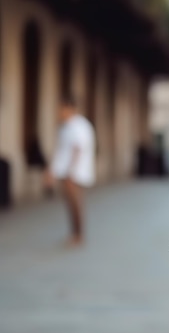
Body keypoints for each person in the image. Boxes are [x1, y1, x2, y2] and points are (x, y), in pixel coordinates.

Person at [45, 96, 95, 246]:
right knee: (70, 204)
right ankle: (74, 233)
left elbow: (77, 149)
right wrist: (53, 171)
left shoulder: (79, 126)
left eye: (62, 108)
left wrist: (71, 172)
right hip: (66, 172)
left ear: (69, 108)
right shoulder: (66, 126)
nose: (59, 112)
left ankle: (78, 235)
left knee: (75, 204)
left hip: (74, 173)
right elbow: (61, 151)